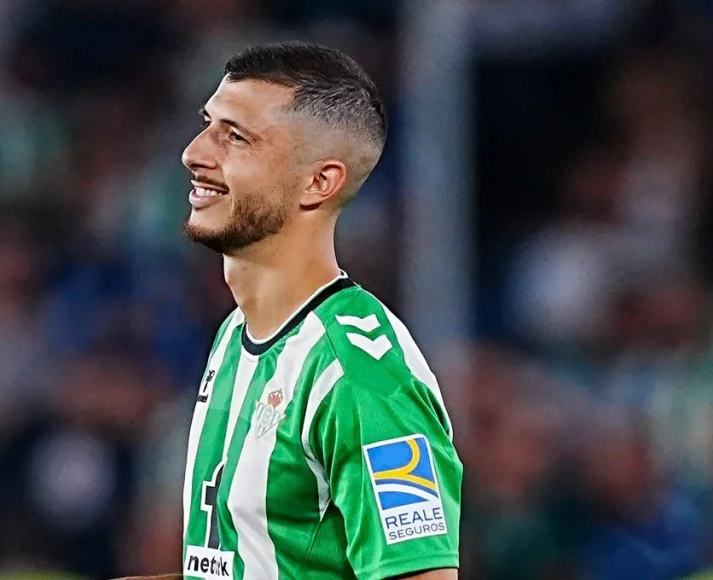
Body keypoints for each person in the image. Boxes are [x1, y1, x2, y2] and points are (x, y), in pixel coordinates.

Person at [122, 41, 462, 580]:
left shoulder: (357, 374)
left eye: (236, 137)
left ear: (319, 182)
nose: (194, 153)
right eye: (208, 125)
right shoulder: (238, 330)